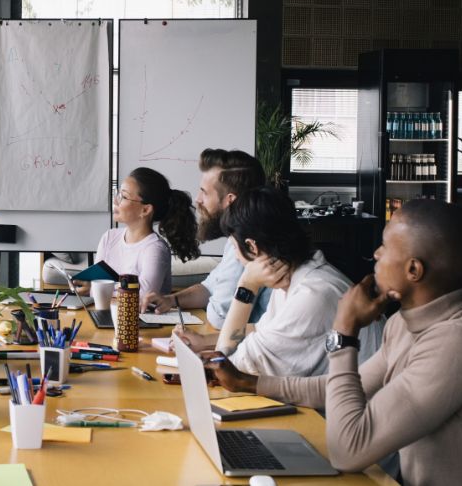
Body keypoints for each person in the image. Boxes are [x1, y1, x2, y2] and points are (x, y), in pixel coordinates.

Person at [204, 199, 462, 484]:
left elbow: (348, 452)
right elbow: (345, 384)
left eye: (385, 246)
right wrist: (246, 382)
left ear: (413, 270)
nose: (375, 253)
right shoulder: (404, 324)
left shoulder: (458, 342)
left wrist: (344, 332)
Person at [173, 187, 382, 377]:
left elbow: (228, 364)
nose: (236, 257)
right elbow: (264, 331)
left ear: (252, 247)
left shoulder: (311, 295)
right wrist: (203, 342)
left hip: (346, 413)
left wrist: (247, 284)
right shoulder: (298, 275)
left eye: (234, 248)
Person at [143, 149, 271, 327]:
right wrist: (171, 300)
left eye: (205, 192)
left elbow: (221, 317)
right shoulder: (237, 238)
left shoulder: (249, 245)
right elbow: (209, 288)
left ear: (230, 200)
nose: (198, 199)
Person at [76, 167, 199, 306]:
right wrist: (93, 288)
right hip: (108, 315)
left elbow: (141, 299)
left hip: (142, 323)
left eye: (124, 196)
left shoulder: (155, 249)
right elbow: (96, 289)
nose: (116, 201)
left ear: (145, 210)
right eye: (118, 194)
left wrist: (99, 289)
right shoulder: (109, 237)